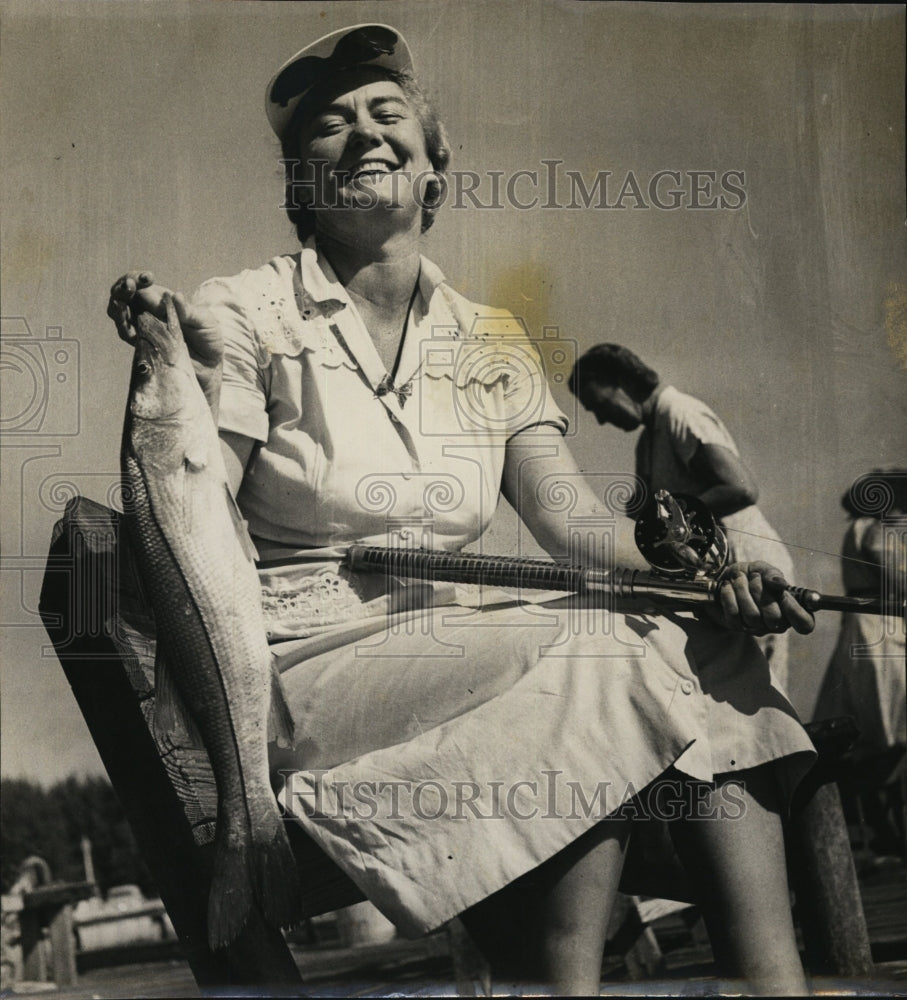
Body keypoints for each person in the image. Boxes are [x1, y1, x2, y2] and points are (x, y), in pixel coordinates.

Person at [108, 24, 819, 994]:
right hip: (308, 668)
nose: (365, 132)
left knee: (705, 638)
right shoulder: (241, 311)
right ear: (300, 180)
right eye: (330, 124)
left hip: (467, 653)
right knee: (598, 654)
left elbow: (573, 525)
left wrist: (705, 568)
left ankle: (772, 985)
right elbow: (191, 512)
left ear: (433, 158)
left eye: (386, 112)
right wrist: (177, 374)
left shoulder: (490, 336)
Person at [569, 343, 796, 692]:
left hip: (750, 565)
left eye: (600, 405)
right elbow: (642, 517)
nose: (601, 419)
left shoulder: (681, 413)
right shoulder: (649, 439)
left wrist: (670, 520)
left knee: (755, 689)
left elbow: (740, 488)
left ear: (621, 383)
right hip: (717, 572)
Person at [815, 469, 906, 858]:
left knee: (882, 732)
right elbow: (897, 581)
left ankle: (884, 827)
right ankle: (875, 819)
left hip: (869, 627)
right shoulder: (874, 530)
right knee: (890, 731)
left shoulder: (861, 528)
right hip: (878, 628)